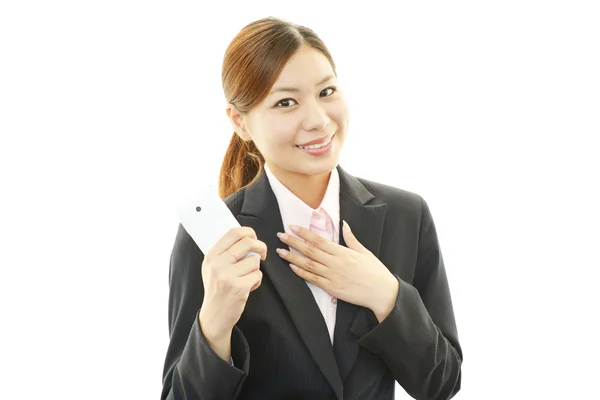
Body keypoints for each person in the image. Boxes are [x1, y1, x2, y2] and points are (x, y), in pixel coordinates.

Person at [161, 16, 462, 400]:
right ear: (240, 122)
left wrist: (385, 294)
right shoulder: (214, 241)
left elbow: (441, 384)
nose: (318, 121)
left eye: (326, 92)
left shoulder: (406, 215)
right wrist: (215, 323)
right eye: (286, 102)